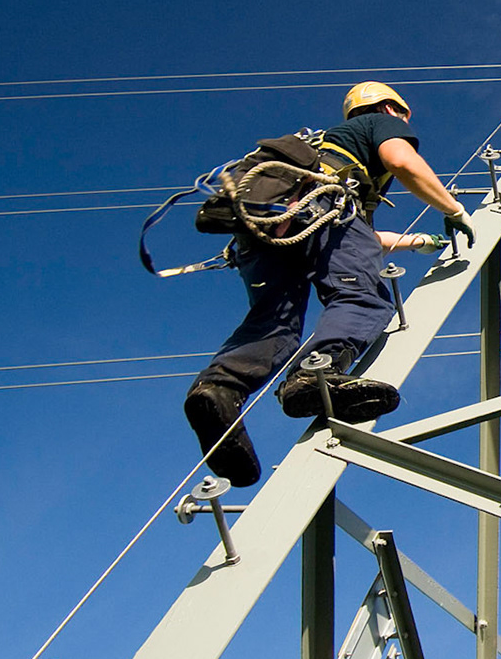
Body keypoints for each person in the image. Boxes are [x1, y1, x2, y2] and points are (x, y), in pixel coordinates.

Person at [182, 81, 477, 486]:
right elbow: (401, 163)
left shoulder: (326, 151)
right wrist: (453, 207)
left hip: (268, 225)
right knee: (364, 296)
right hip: (323, 209)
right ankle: (312, 375)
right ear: (392, 109)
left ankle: (218, 388)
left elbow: (359, 240)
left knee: (276, 322)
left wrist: (418, 242)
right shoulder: (379, 123)